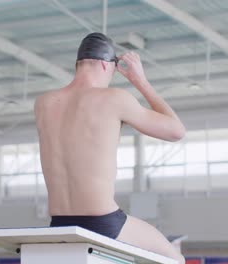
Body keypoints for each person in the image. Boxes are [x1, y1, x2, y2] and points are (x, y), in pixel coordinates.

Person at [34, 32, 186, 264]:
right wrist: (140, 81)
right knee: (175, 259)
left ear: (78, 65)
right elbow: (176, 131)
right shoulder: (115, 98)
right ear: (107, 66)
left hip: (60, 224)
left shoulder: (43, 103)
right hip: (102, 222)